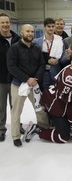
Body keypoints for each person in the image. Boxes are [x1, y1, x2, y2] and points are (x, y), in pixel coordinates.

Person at [24, 53, 72, 144]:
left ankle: (63, 126)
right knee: (64, 137)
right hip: (56, 107)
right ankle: (38, 130)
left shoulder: (71, 69)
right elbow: (64, 97)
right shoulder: (69, 77)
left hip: (56, 101)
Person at [7, 24, 50, 147]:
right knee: (16, 111)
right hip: (18, 85)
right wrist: (27, 79)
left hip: (34, 84)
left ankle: (45, 128)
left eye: (32, 31)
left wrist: (35, 78)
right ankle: (15, 136)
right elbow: (12, 67)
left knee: (40, 107)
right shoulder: (14, 48)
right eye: (27, 31)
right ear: (21, 33)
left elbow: (42, 64)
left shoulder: (36, 49)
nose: (30, 33)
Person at [0, 13, 20, 142]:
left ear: (10, 23)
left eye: (7, 22)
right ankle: (1, 129)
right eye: (2, 22)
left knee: (15, 106)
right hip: (0, 79)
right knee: (1, 107)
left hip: (14, 79)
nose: (5, 25)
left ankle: (16, 127)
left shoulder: (17, 39)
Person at [33, 18, 64, 90]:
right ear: (44, 27)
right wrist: (47, 60)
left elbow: (62, 59)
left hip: (56, 72)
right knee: (44, 94)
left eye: (53, 26)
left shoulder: (59, 40)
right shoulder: (37, 42)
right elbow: (36, 56)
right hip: (43, 73)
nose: (51, 28)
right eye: (49, 26)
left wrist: (68, 56)